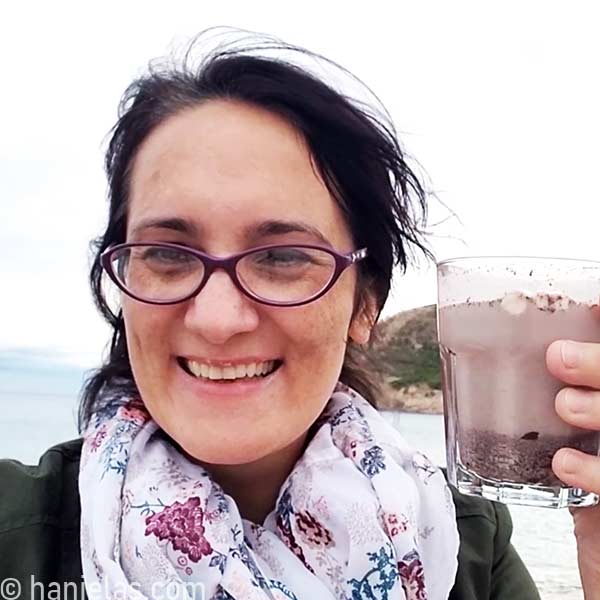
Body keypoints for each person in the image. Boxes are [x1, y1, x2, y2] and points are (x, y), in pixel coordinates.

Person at [1, 31, 599, 600]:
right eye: (165, 254)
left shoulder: (465, 543)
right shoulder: (18, 535)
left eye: (283, 257)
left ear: (364, 304)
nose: (217, 318)